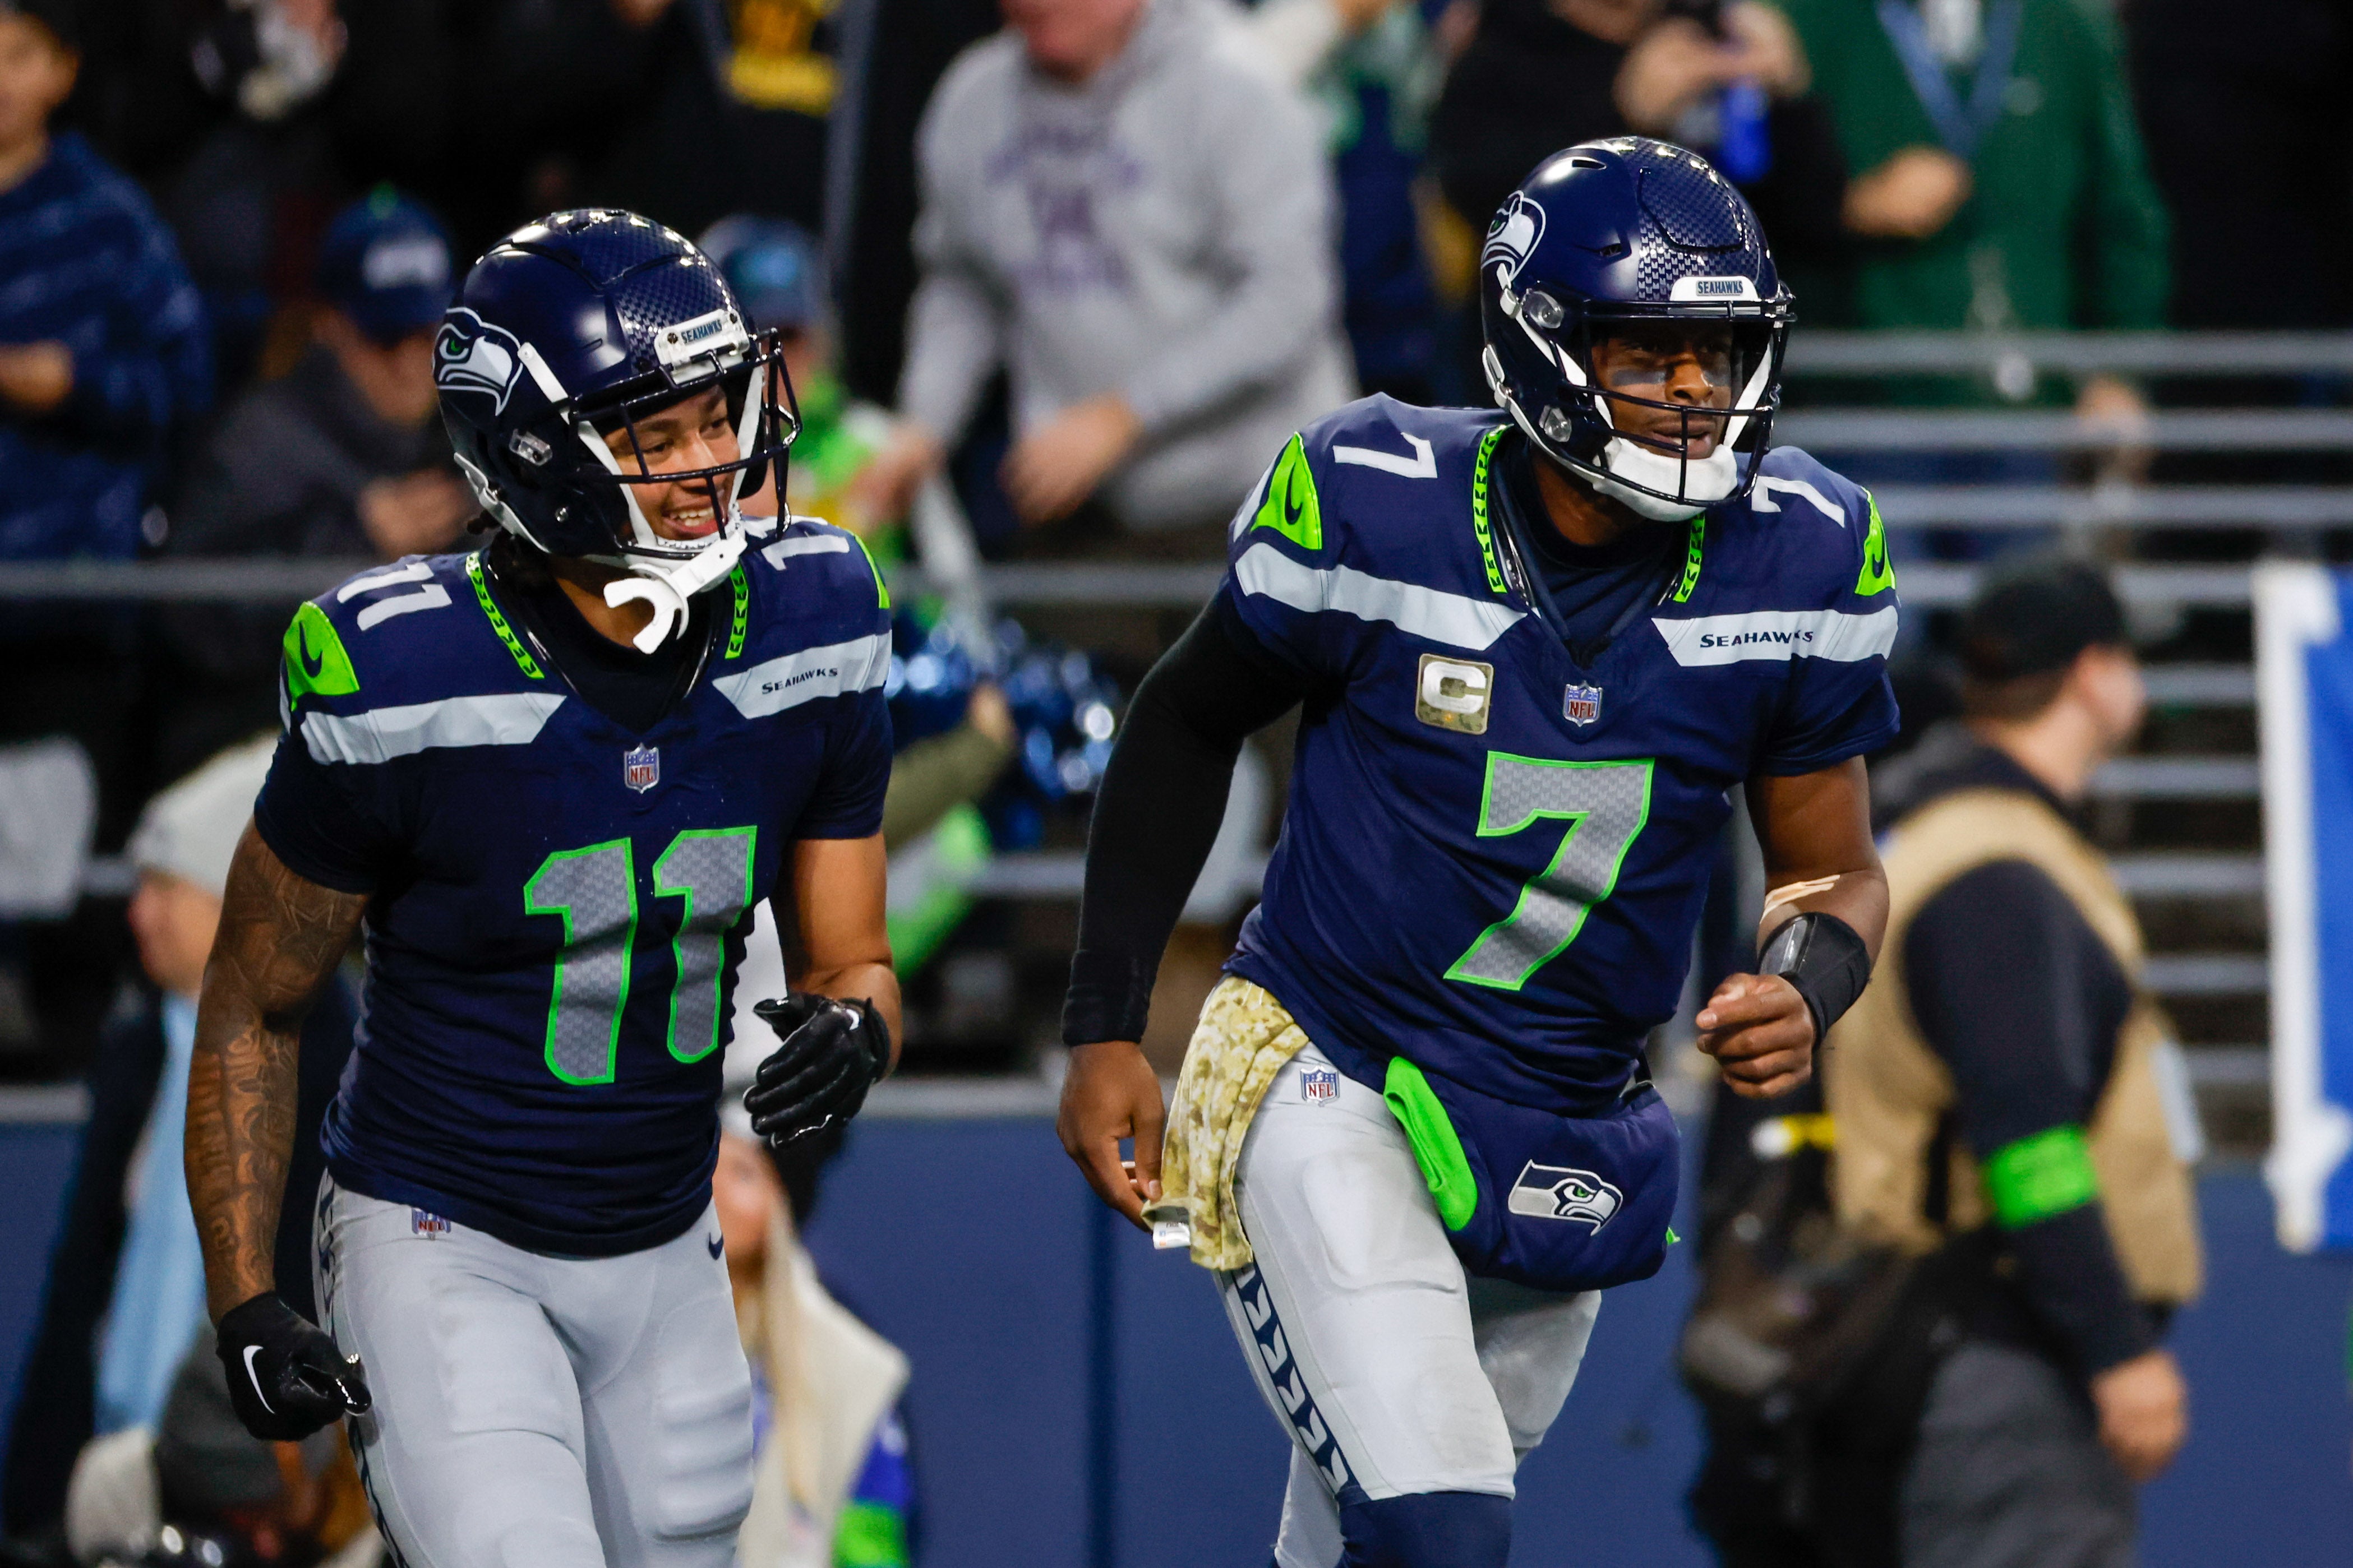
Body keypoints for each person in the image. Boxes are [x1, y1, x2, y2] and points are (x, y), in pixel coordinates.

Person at [1058, 137, 1899, 1566]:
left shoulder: (1801, 552)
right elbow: (1185, 719)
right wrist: (1105, 1021)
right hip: (1335, 1062)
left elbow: (1830, 870)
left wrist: (1802, 982)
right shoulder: (1378, 496)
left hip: (1563, 1113)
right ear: (1540, 343)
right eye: (1647, 351)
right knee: (1441, 1526)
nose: (1694, 391)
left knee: (1374, 1537)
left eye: (1716, 353)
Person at [183, 210, 905, 1568]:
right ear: (531, 451)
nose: (710, 461)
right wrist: (247, 1297)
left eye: (718, 413)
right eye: (656, 434)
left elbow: (852, 959)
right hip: (442, 1230)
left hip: (666, 1233)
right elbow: (254, 1001)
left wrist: (859, 1026)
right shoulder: (403, 675)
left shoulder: (813, 623)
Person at [1695, 559, 2199, 1567]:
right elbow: (2027, 1135)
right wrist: (2116, 1348)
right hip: (1995, 1348)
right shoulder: (1995, 867)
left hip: (1925, 1335)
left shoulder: (1923, 831)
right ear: (2093, 675)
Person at [3, 738, 356, 1546]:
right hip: (116, 1467)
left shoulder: (336, 1057)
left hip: (255, 1489)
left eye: (165, 887)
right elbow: (80, 1286)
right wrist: (38, 1486)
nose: (139, 914)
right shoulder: (138, 1050)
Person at [855, 0, 1355, 553]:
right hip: (1074, 505)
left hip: (1264, 506)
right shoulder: (973, 98)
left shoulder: (1235, 81)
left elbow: (1287, 301)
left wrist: (1125, 414)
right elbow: (965, 282)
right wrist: (925, 424)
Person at [155, 186, 467, 780]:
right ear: (331, 326)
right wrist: (354, 545)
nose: (412, 363)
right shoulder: (261, 440)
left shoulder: (471, 441)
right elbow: (193, 622)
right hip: (256, 748)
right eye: (387, 337)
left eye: (430, 336)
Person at [1780, 0, 2167, 430]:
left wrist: (2119, 375)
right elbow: (1745, 200)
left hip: (2034, 403)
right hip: (1860, 404)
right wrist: (1845, 207)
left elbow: (2122, 215)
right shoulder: (1802, 20)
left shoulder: (2065, 25)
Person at [710, 1069, 915, 1568]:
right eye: (705, 1162)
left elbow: (874, 1548)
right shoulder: (627, 1326)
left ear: (780, 1208)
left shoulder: (851, 1365)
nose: (712, 1190)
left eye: (742, 1173)